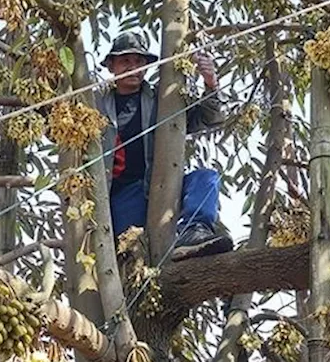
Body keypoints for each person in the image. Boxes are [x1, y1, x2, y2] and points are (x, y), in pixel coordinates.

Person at [97, 31, 232, 255]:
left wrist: (210, 84)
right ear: (111, 66)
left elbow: (209, 119)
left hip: (164, 184)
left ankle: (195, 231)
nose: (133, 67)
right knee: (130, 252)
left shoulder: (164, 99)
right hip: (123, 195)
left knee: (206, 179)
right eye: (125, 61)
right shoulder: (97, 104)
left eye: (139, 61)